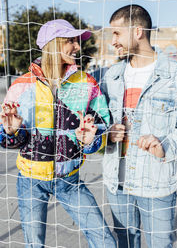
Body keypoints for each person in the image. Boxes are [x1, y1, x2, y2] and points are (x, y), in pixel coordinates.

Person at [0, 19, 116, 248]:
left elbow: (102, 127)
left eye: (77, 41)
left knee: (106, 242)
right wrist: (11, 132)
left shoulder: (87, 83)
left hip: (70, 181)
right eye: (71, 41)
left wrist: (91, 140)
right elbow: (8, 139)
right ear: (53, 44)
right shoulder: (22, 86)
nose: (78, 47)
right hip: (30, 181)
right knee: (35, 245)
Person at [101, 5, 177, 248]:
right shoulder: (111, 76)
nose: (112, 41)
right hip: (117, 183)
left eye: (116, 33)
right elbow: (98, 120)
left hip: (156, 185)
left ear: (137, 31)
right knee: (124, 242)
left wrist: (165, 145)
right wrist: (106, 133)